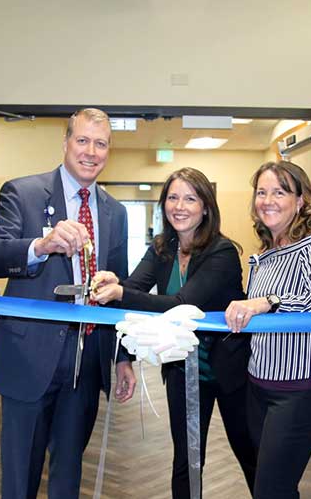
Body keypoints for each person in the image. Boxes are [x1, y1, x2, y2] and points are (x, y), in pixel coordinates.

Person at [0, 108, 136, 499]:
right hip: (30, 357)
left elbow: (118, 288)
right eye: (82, 140)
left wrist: (122, 357)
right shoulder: (23, 193)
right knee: (20, 475)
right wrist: (40, 246)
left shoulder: (115, 212)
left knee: (68, 474)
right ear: (65, 143)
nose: (91, 152)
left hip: (87, 361)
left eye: (101, 144)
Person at [92, 167, 257, 498]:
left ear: (206, 207)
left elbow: (182, 303)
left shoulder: (222, 252)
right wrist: (114, 286)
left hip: (229, 370)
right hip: (183, 369)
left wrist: (122, 293)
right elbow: (132, 291)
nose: (179, 206)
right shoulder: (162, 247)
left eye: (190, 198)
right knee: (187, 459)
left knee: (249, 454)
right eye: (172, 197)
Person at [224, 161, 311, 499]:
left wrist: (267, 301)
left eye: (280, 191)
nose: (268, 200)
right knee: (275, 487)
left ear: (300, 201)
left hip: (302, 390)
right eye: (262, 192)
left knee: (270, 489)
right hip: (259, 387)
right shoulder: (265, 253)